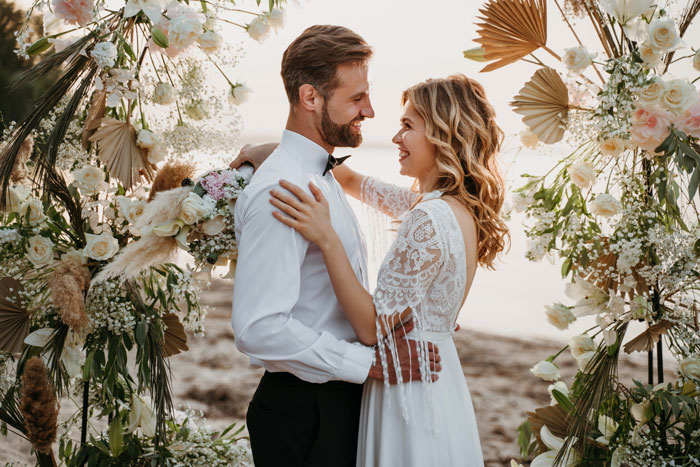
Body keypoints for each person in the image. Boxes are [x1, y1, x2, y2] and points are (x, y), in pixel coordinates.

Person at [266, 74, 509, 466]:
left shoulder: (426, 218)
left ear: (444, 136)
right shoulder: (452, 208)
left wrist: (327, 238)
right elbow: (348, 179)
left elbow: (370, 327)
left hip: (408, 389)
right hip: (441, 382)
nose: (396, 138)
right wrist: (273, 151)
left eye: (408, 126)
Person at [229, 25, 441, 467]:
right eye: (356, 98)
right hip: (305, 413)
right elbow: (259, 327)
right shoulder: (283, 192)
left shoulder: (317, 175)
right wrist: (366, 365)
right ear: (311, 98)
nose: (369, 109)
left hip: (332, 401)